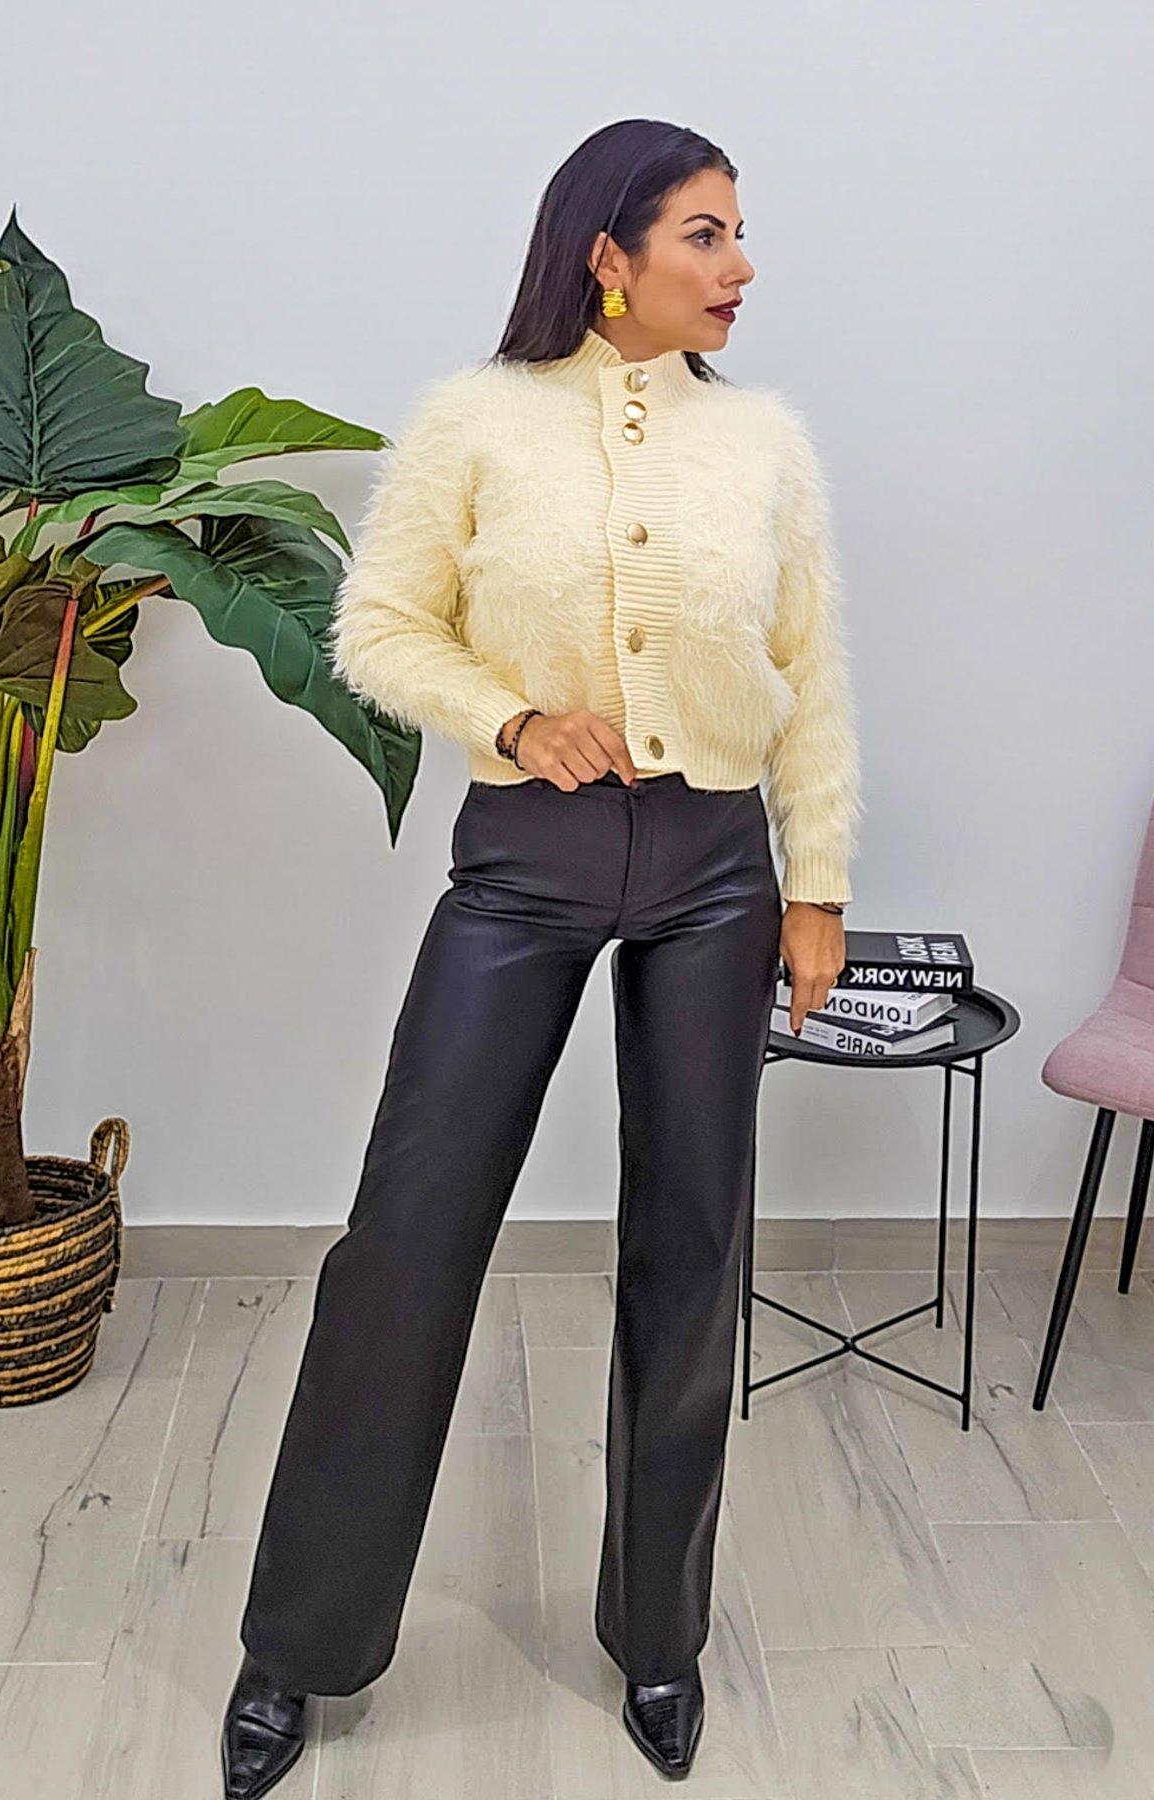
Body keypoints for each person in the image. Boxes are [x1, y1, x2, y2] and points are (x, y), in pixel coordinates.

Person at [221, 115, 863, 1798]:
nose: (741, 266)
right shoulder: (477, 421)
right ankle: (298, 1645)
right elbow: (378, 628)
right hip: (526, 863)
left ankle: (659, 1636)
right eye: (706, 234)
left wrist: (817, 889)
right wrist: (509, 716)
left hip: (717, 870)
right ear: (609, 254)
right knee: (407, 1238)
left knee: (693, 1244)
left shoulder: (766, 448)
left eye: (739, 234)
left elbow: (812, 676)